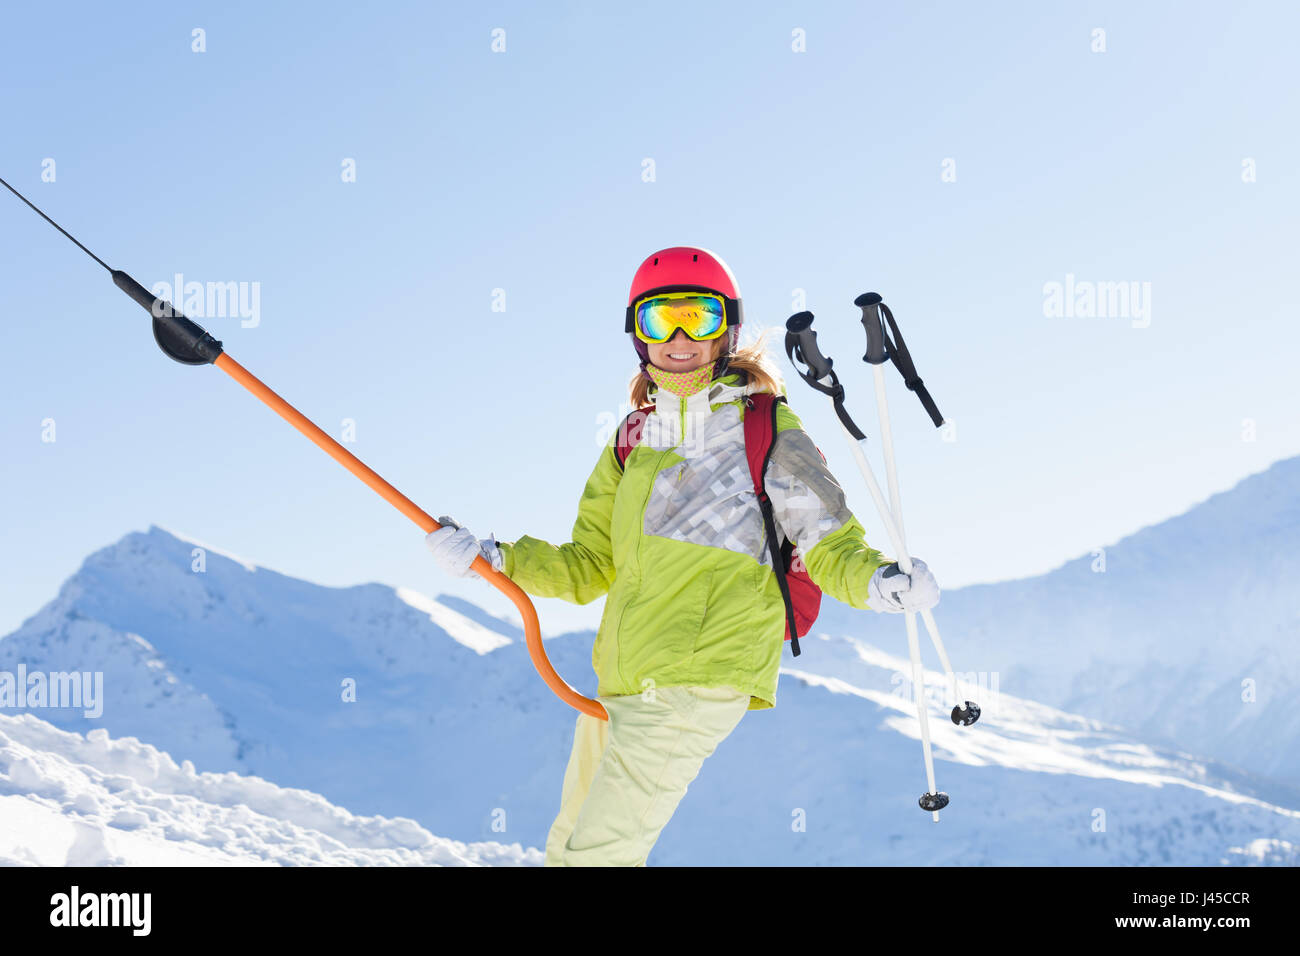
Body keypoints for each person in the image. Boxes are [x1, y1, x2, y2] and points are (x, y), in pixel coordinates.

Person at [426, 246, 940, 866]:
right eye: (657, 319)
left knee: (596, 857)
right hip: (623, 680)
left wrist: (879, 582)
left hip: (696, 680)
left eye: (695, 317)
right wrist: (493, 558)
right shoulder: (633, 439)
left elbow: (826, 539)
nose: (677, 338)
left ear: (726, 328)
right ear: (635, 334)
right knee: (568, 847)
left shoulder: (764, 426)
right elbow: (589, 564)